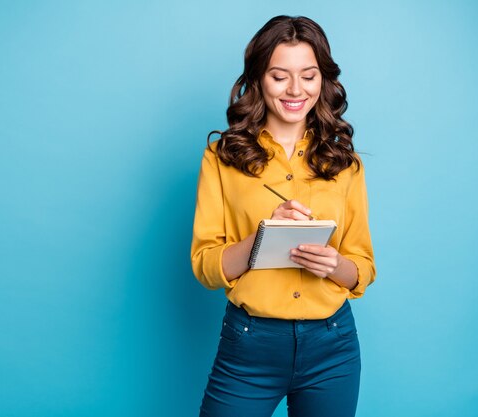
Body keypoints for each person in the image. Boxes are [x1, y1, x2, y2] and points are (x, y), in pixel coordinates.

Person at [191, 15, 376, 417]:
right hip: (249, 344)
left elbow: (362, 268)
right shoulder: (222, 158)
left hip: (333, 345)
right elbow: (204, 266)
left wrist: (335, 265)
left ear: (322, 80)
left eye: (308, 76)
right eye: (280, 76)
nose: (296, 90)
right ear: (258, 79)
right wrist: (264, 238)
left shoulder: (346, 163)